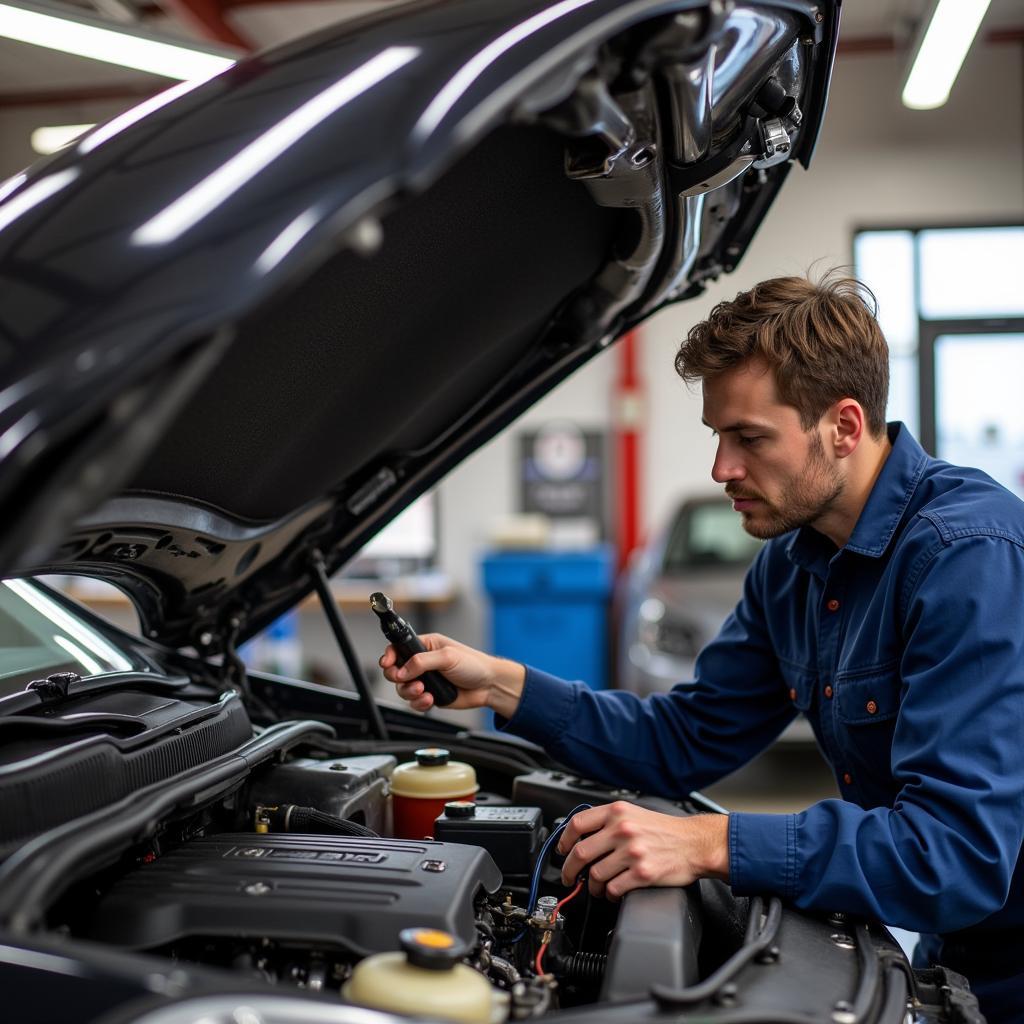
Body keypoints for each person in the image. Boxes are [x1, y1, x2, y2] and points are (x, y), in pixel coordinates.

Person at [380, 272, 1024, 1022]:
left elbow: (954, 855)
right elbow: (683, 738)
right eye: (719, 436)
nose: (722, 469)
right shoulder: (792, 565)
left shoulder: (968, 557)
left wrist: (714, 841)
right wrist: (498, 684)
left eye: (750, 438)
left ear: (844, 426)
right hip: (957, 954)